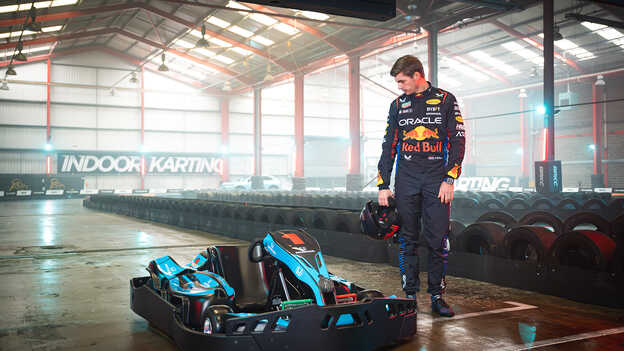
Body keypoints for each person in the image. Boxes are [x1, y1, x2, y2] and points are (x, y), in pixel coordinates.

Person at [377, 55, 465, 317]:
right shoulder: (397, 105)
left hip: (437, 179)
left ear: (417, 75)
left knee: (438, 240)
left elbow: (458, 142)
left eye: (402, 81)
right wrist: (383, 183)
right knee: (407, 239)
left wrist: (450, 178)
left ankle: (437, 296)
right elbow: (388, 146)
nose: (399, 86)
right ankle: (410, 296)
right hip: (406, 180)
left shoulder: (446, 100)